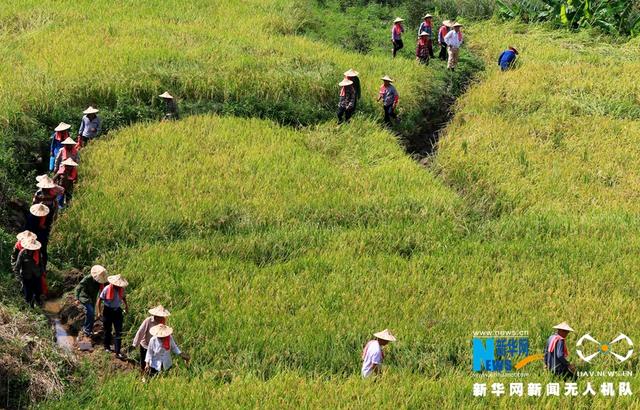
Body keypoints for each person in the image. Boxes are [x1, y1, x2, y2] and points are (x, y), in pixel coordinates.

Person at [98, 274, 129, 359]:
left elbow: (124, 298)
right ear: (114, 283)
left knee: (119, 331)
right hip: (107, 311)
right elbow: (100, 300)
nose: (119, 286)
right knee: (107, 330)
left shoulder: (121, 290)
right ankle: (106, 346)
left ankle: (117, 351)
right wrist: (98, 312)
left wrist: (126, 306)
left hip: (117, 311)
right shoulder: (107, 289)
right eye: (117, 285)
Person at [132, 305, 171, 371]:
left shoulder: (163, 321)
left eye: (162, 316)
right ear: (155, 315)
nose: (160, 317)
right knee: (144, 362)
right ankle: (144, 377)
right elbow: (141, 331)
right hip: (146, 345)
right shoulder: (148, 321)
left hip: (155, 346)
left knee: (153, 363)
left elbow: (163, 333)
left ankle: (152, 376)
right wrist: (135, 344)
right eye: (159, 316)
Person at [75, 265, 108, 337]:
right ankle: (87, 330)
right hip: (84, 297)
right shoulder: (88, 278)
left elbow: (108, 286)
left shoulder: (101, 281)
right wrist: (76, 298)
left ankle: (88, 328)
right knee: (90, 312)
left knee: (91, 313)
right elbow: (78, 287)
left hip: (93, 298)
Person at [12, 237, 44, 308]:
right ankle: (31, 309)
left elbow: (41, 264)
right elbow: (17, 268)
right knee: (28, 296)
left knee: (38, 292)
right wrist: (19, 279)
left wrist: (42, 272)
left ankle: (39, 305)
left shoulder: (37, 252)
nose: (31, 250)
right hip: (27, 277)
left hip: (36, 276)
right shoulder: (22, 253)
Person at [25, 203, 51, 273]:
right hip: (33, 236)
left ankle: (43, 268)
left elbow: (48, 226)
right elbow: (28, 228)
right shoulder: (31, 217)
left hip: (42, 236)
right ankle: (32, 268)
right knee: (33, 252)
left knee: (43, 252)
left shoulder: (47, 216)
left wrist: (44, 227)